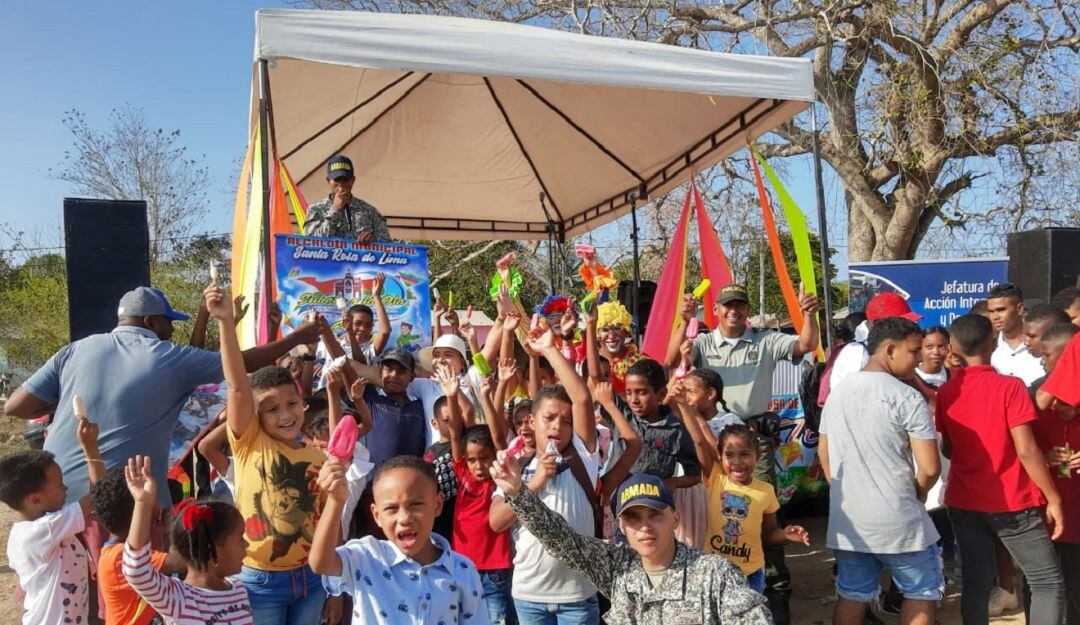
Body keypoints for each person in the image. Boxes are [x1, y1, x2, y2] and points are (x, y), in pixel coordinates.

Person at [4, 285, 319, 512]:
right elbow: (241, 362)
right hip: (127, 502)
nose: (171, 330)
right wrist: (298, 337)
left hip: (55, 493)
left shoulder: (75, 349)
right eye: (168, 322)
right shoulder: (164, 354)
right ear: (150, 322)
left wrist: (65, 399)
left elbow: (16, 406)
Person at [678, 282, 818, 624]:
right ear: (716, 310)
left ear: (747, 310)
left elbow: (805, 344)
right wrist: (683, 321)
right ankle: (720, 582)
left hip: (751, 442)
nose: (733, 311)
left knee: (761, 508)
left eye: (740, 305)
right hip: (713, 440)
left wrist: (808, 315)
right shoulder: (702, 342)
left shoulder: (766, 340)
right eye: (727, 305)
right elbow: (671, 362)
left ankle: (775, 586)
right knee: (715, 513)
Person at [490, 459, 774, 625]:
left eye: (655, 515)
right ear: (621, 526)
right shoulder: (617, 567)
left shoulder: (714, 573)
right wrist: (518, 492)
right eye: (634, 518)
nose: (645, 527)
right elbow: (560, 539)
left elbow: (753, 618)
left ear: (675, 518)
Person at [209, 284, 338, 625]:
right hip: (260, 582)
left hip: (312, 580)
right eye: (271, 409)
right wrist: (225, 323)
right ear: (255, 415)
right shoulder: (249, 442)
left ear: (303, 403)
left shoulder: (319, 458)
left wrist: (336, 589)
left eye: (291, 404)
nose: (285, 415)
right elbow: (238, 386)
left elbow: (330, 523)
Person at [937, 313, 1065, 625]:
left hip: (964, 500)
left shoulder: (948, 392)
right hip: (1011, 500)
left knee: (977, 581)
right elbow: (1026, 449)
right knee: (1046, 581)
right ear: (993, 343)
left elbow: (948, 449)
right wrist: (1053, 498)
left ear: (953, 347)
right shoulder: (1010, 387)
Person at [818, 317, 944, 625]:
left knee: (853, 594)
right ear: (889, 350)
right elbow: (930, 467)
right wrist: (918, 493)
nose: (919, 358)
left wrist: (845, 492)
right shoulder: (907, 397)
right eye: (914, 351)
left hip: (850, 520)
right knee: (922, 592)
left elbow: (824, 454)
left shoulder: (838, 393)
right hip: (899, 519)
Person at [489, 329, 601, 625]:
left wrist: (550, 350)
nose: (557, 426)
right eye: (549, 418)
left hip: (578, 596)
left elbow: (582, 399)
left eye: (566, 421)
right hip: (529, 596)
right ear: (531, 421)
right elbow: (496, 522)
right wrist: (535, 482)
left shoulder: (582, 455)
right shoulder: (516, 465)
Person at [310, 455, 489, 624]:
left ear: (437, 505)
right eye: (391, 509)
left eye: (416, 504)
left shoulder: (462, 570)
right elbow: (321, 563)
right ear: (377, 515)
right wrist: (335, 501)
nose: (404, 518)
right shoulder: (366, 558)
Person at [674, 396, 810, 593]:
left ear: (757, 456)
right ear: (720, 457)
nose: (737, 462)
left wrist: (786, 534)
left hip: (751, 576)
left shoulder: (765, 491)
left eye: (744, 454)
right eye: (729, 455)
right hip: (715, 573)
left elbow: (769, 534)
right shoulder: (716, 479)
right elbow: (700, 441)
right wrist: (685, 407)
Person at [121, 456, 252, 625]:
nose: (247, 544)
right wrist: (143, 503)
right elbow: (136, 571)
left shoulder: (238, 588)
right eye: (240, 539)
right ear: (212, 549)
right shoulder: (180, 599)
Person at [1, 415, 103, 625]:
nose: (66, 488)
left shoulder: (25, 532)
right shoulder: (46, 529)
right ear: (35, 499)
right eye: (59, 485)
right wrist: (90, 448)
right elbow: (97, 495)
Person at [435, 365, 517, 625]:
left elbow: (498, 438)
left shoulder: (499, 476)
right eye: (472, 460)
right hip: (462, 565)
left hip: (495, 569)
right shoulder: (463, 472)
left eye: (485, 458)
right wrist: (451, 396)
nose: (479, 465)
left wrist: (487, 396)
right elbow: (455, 433)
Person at [1029, 322, 1080, 625]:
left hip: (1076, 515)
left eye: (1047, 355)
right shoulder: (1036, 395)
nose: (1041, 360)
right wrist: (1043, 456)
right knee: (1040, 583)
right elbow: (1021, 446)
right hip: (1043, 510)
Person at [91, 466, 186, 625]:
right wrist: (169, 522)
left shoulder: (113, 552)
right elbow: (181, 562)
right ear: (138, 512)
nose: (157, 504)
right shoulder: (120, 557)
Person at [601, 359, 701, 501]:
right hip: (617, 503)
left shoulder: (676, 430)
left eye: (641, 392)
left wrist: (673, 482)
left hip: (654, 505)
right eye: (628, 392)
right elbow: (596, 377)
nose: (634, 400)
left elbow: (695, 474)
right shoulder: (622, 414)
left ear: (661, 394)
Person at [827, 293, 921, 394]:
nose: (908, 327)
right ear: (877, 324)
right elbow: (854, 397)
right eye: (902, 323)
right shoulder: (857, 353)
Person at [303, 155, 391, 243]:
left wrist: (372, 241)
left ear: (352, 181)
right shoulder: (316, 210)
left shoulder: (370, 212)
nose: (341, 184)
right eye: (337, 180)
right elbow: (311, 242)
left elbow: (388, 244)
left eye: (345, 180)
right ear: (328, 181)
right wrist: (334, 210)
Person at [987, 282, 1045, 385]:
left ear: (1019, 309)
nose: (995, 317)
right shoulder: (989, 349)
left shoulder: (1043, 346)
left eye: (1001, 310)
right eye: (991, 311)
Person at [423, 395, 459, 542]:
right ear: (435, 423)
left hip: (460, 510)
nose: (452, 424)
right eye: (446, 420)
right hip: (440, 514)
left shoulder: (463, 444)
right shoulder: (430, 452)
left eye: (456, 418)